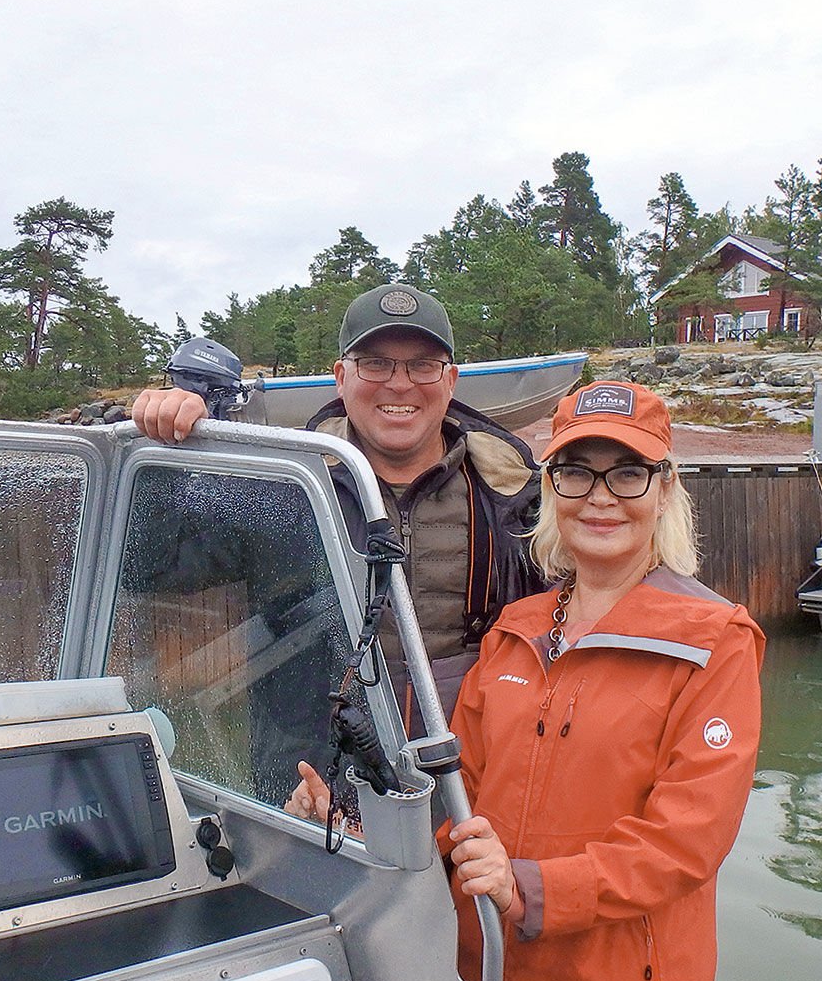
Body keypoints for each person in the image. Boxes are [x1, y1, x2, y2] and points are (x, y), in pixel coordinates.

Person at [441, 381, 765, 981]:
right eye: (577, 471)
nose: (601, 495)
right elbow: (452, 795)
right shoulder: (513, 631)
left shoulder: (715, 642)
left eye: (629, 473)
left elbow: (686, 840)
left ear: (665, 493)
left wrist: (534, 885)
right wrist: (345, 811)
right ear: (549, 492)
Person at [132, 283, 542, 731]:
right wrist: (166, 453)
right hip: (317, 768)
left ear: (450, 380)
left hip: (477, 761)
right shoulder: (284, 485)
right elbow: (149, 566)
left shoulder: (514, 494)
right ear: (341, 377)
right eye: (375, 364)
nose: (400, 384)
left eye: (423, 365)